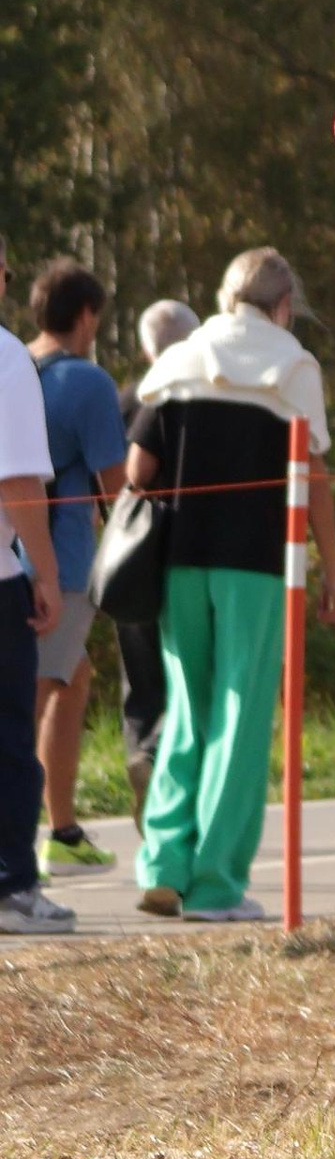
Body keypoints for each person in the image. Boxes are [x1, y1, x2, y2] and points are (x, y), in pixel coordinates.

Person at [126, 249, 335, 921]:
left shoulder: (180, 359)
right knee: (240, 720)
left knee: (189, 711)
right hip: (258, 564)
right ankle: (217, 885)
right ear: (284, 306)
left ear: (226, 297)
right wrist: (332, 569)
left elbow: (139, 470)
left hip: (179, 559)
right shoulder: (293, 365)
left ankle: (163, 862)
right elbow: (312, 482)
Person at [25, 261, 128, 881]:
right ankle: (23, 845)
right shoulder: (86, 382)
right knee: (29, 700)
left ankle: (61, 831)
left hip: (16, 555)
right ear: (86, 316)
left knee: (75, 677)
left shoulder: (14, 368)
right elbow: (116, 485)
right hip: (57, 566)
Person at [0, 233, 69, 935]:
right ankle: (12, 886)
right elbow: (17, 478)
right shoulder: (5, 355)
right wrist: (43, 572)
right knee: (7, 737)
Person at [106, 297, 196, 822]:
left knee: (138, 675)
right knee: (184, 672)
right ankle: (166, 774)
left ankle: (142, 753)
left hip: (129, 551)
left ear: (144, 347)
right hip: (188, 550)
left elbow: (117, 478)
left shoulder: (123, 400)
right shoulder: (195, 397)